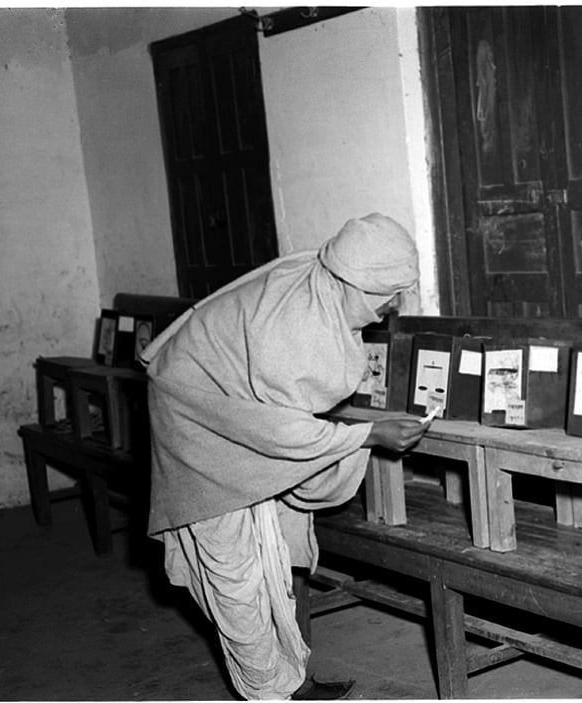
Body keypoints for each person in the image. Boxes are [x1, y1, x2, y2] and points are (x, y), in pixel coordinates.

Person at [140, 213, 431, 700]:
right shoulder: (294, 327)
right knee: (236, 576)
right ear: (352, 281)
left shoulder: (322, 279)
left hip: (241, 411)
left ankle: (292, 679)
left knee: (285, 544)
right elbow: (283, 433)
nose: (389, 309)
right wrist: (368, 436)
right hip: (198, 423)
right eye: (388, 294)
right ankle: (268, 692)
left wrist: (358, 434)